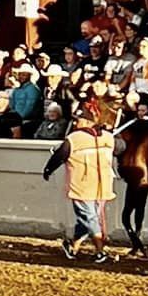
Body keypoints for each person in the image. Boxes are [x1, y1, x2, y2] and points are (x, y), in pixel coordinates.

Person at [43, 109, 118, 263]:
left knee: (89, 218)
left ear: (88, 122)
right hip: (103, 184)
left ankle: (100, 250)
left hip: (82, 185)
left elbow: (59, 156)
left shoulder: (74, 139)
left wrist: (48, 170)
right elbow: (121, 147)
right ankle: (73, 247)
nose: (76, 122)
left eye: (79, 119)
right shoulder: (109, 138)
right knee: (89, 217)